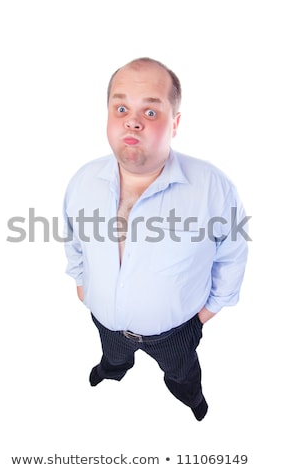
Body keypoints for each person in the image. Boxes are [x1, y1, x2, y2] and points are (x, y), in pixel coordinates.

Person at [63, 57, 249, 421]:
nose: (132, 120)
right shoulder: (83, 180)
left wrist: (206, 313)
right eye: (121, 108)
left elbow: (232, 253)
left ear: (175, 123)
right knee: (113, 355)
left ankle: (190, 396)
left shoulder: (212, 187)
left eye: (150, 112)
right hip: (105, 320)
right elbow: (72, 237)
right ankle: (113, 369)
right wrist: (81, 284)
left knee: (183, 372)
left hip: (176, 332)